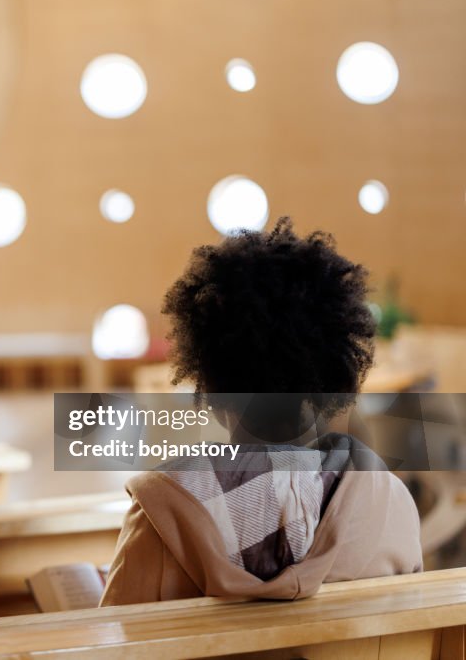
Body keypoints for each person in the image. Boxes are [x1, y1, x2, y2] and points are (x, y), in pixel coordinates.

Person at [100, 217, 422, 606]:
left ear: (212, 391)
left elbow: (118, 638)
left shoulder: (160, 516)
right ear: (332, 383)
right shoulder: (390, 507)